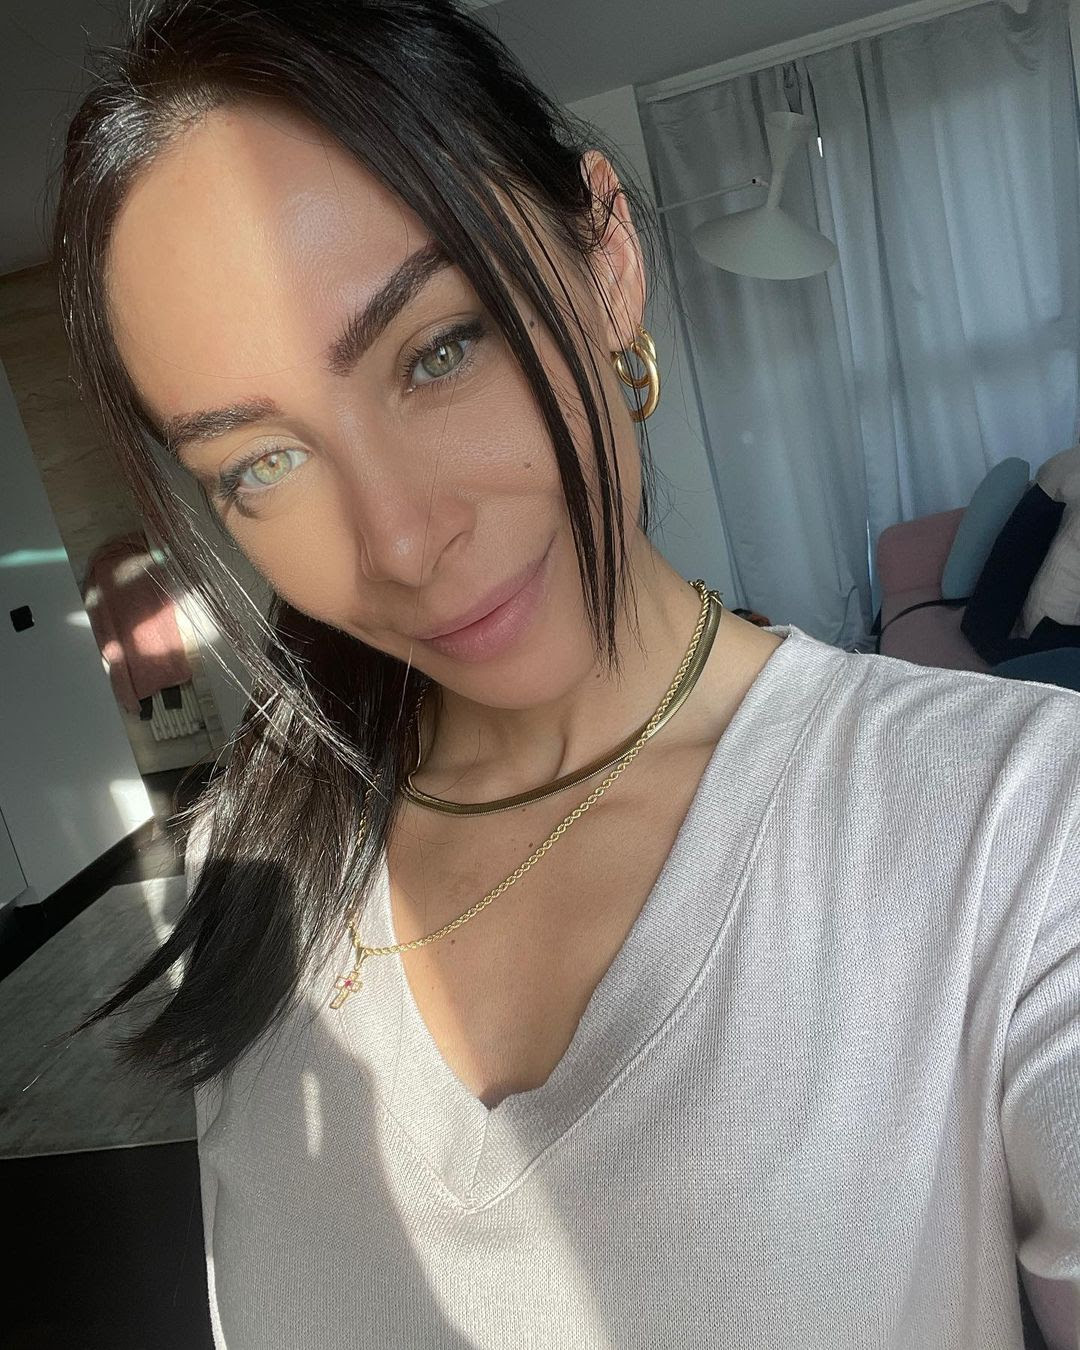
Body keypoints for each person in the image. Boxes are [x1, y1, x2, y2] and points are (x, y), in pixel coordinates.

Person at [54, 1, 1079, 1346]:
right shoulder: (254, 856)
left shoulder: (1016, 825)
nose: (401, 544)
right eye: (264, 462)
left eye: (439, 349)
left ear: (606, 261)